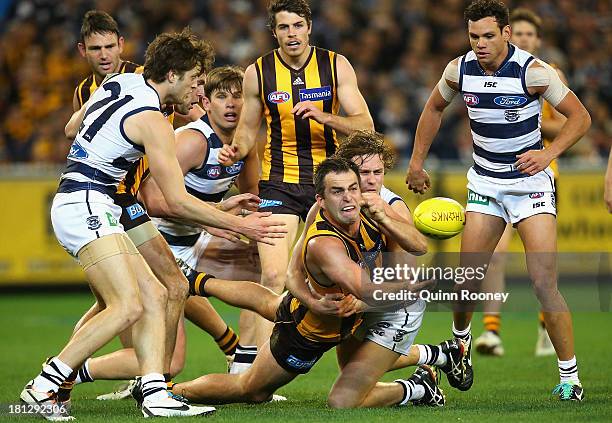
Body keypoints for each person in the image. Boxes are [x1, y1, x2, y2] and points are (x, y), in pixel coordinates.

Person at [21, 28, 285, 420]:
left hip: (103, 199)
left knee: (166, 289)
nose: (198, 91)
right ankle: (45, 386)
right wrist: (241, 225)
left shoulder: (123, 81)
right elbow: (174, 200)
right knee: (126, 304)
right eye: (196, 81)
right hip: (88, 202)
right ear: (173, 75)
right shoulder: (153, 120)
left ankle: (154, 390)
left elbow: (74, 128)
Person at [405, 0, 590, 400]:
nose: (481, 43)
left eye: (489, 35)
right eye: (474, 36)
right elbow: (434, 107)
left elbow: (581, 118)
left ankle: (569, 378)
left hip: (531, 186)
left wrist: (548, 153)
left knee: (544, 284)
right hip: (485, 183)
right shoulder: (459, 69)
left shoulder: (535, 72)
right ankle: (460, 344)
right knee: (466, 281)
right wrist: (417, 163)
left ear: (506, 33)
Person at [62, 11, 240, 403]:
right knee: (120, 301)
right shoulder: (102, 88)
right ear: (83, 51)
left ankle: (157, 379)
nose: (104, 55)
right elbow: (72, 128)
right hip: (106, 199)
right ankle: (75, 374)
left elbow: (196, 109)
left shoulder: (150, 76)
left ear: (122, 45)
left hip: (128, 199)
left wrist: (221, 140)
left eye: (110, 46)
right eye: (95, 49)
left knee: (171, 283)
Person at [167, 157, 442, 407]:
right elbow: (365, 291)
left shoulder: (371, 209)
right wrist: (414, 288)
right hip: (311, 332)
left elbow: (418, 246)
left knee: (273, 303)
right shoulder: (325, 244)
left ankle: (195, 280)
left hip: (326, 310)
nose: (349, 198)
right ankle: (172, 391)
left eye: (353, 188)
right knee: (251, 390)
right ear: (321, 200)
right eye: (337, 191)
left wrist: (385, 218)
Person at [218, 0, 374, 350]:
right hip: (280, 185)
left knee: (347, 281)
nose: (292, 34)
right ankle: (246, 362)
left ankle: (363, 360)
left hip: (330, 186)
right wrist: (236, 150)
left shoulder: (336, 66)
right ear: (273, 32)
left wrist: (326, 117)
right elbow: (246, 130)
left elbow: (366, 125)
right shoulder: (257, 72)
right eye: (284, 27)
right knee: (272, 275)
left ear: (309, 27)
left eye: (297, 26)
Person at [285, 131, 467, 408]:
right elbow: (292, 273)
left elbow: (405, 281)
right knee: (351, 374)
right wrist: (313, 301)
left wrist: (361, 303)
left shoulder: (391, 208)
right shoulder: (327, 206)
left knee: (343, 400)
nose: (371, 180)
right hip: (360, 298)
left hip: (394, 307)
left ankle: (420, 389)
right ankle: (440, 355)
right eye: (363, 172)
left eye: (378, 172)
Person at [474, 7, 568, 358]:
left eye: (531, 35)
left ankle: (547, 329)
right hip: (496, 176)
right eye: (522, 34)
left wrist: (524, 121)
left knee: (542, 268)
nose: (526, 39)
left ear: (537, 40)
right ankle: (491, 332)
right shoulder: (489, 71)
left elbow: (569, 123)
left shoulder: (545, 74)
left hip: (540, 176)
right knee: (494, 256)